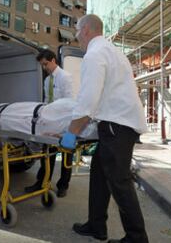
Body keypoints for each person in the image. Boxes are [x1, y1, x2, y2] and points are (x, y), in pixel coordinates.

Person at [60, 14, 149, 243]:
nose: (77, 36)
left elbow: (88, 99)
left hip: (116, 126)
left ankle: (137, 238)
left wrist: (71, 133)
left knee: (119, 181)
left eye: (78, 31)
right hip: (118, 124)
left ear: (87, 29)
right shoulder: (112, 51)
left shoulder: (95, 54)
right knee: (100, 175)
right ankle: (96, 225)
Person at [24, 49, 74, 198]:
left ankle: (63, 186)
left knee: (66, 155)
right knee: (47, 154)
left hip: (64, 120)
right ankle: (41, 182)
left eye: (46, 64)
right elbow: (46, 101)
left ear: (53, 61)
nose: (44, 68)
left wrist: (64, 125)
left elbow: (69, 101)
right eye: (42, 65)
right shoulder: (47, 80)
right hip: (50, 120)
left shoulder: (66, 77)